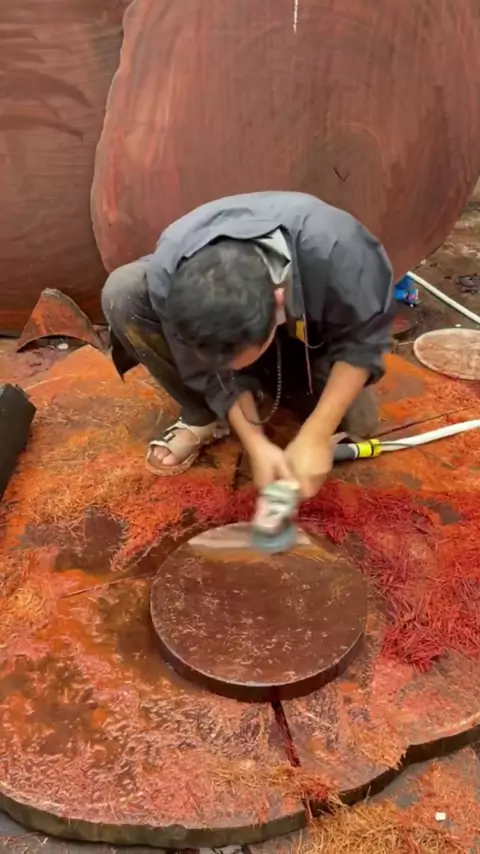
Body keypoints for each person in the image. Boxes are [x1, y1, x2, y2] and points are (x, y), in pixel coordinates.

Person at [102, 191, 395, 499]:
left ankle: (267, 382)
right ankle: (204, 415)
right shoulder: (170, 269)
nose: (226, 371)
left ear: (278, 303)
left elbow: (364, 342)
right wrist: (255, 444)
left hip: (309, 327)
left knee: (357, 423)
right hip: (232, 318)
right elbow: (205, 367)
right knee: (124, 292)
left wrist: (317, 434)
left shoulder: (342, 250)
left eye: (235, 364)